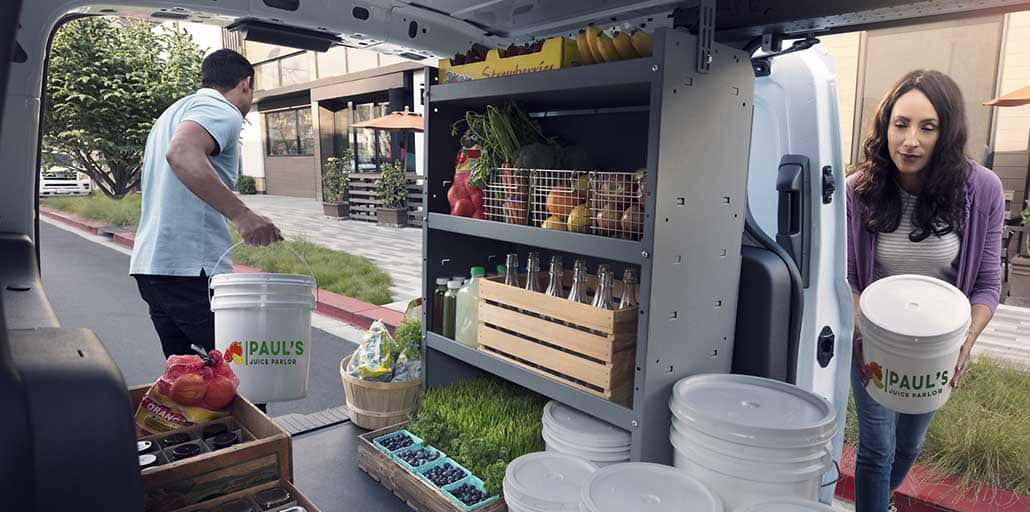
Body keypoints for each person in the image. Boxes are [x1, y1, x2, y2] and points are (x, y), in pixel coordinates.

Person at [846, 69, 1004, 511]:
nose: (910, 140)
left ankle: (885, 501)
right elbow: (849, 279)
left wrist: (964, 343)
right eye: (900, 124)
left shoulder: (982, 190)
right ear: (885, 127)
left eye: (926, 127)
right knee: (877, 447)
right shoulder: (858, 190)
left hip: (936, 344)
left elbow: (988, 286)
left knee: (908, 447)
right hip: (873, 339)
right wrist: (862, 335)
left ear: (946, 133)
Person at [130, 49, 282, 359]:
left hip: (152, 266)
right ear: (245, 84)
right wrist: (242, 214)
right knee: (244, 373)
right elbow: (182, 153)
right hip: (189, 270)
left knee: (188, 381)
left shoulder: (172, 113)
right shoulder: (222, 109)